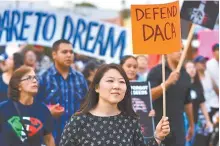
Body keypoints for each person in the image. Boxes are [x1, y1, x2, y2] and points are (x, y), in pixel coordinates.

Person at [60, 63, 170, 146]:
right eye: (110, 81)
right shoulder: (78, 121)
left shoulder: (130, 121)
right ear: (97, 87)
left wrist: (158, 136)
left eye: (122, 82)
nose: (116, 86)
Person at [36, 39, 88, 144]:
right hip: (51, 138)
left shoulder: (80, 78)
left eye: (71, 52)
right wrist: (48, 112)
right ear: (54, 55)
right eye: (64, 52)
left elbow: (88, 105)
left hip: (77, 138)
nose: (69, 55)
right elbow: (33, 107)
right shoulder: (43, 78)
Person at [147, 51, 194, 146]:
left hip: (179, 129)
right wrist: (167, 83)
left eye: (183, 49)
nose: (181, 52)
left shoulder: (185, 75)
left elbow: (187, 103)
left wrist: (191, 125)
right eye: (177, 49)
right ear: (166, 52)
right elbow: (148, 95)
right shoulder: (156, 71)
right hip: (159, 128)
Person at [0, 66, 55, 146]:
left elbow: (49, 139)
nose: (35, 81)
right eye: (29, 78)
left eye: (35, 78)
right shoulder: (3, 109)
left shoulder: (42, 109)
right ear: (18, 85)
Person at [184, 60, 213, 146]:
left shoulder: (198, 85)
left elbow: (202, 105)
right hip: (184, 120)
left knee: (192, 142)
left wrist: (208, 120)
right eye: (188, 68)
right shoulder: (182, 85)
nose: (192, 69)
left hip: (195, 120)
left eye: (193, 67)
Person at [194, 55, 219, 146]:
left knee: (214, 134)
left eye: (205, 62)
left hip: (214, 108)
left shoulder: (208, 75)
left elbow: (217, 90)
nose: (204, 64)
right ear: (196, 65)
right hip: (202, 112)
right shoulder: (194, 79)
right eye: (201, 62)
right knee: (203, 136)